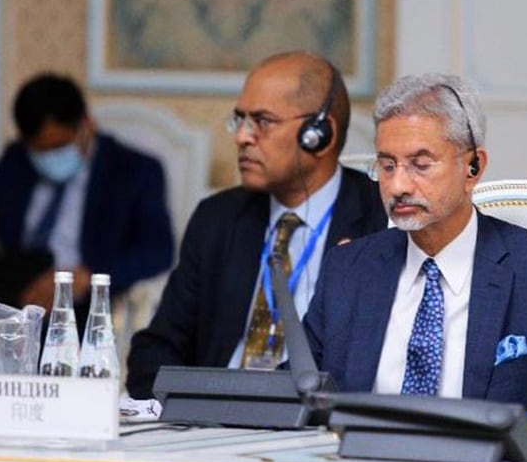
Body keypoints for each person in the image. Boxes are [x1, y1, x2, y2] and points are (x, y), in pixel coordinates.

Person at [302, 74, 527, 419]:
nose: (398, 185)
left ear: (473, 167)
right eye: (387, 166)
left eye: (420, 164)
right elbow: (299, 389)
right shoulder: (348, 268)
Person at [125, 51, 387, 399]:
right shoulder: (218, 218)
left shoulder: (381, 219)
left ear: (318, 134)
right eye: (240, 120)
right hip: (213, 424)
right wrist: (208, 404)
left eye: (262, 121)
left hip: (318, 429)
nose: (242, 137)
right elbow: (153, 351)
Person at [0, 73, 175, 370]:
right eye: (40, 151)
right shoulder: (17, 161)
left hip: (77, 303)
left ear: (87, 125)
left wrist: (84, 277)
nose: (49, 158)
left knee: (46, 338)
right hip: (16, 292)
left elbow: (158, 249)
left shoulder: (134, 170)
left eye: (59, 148)